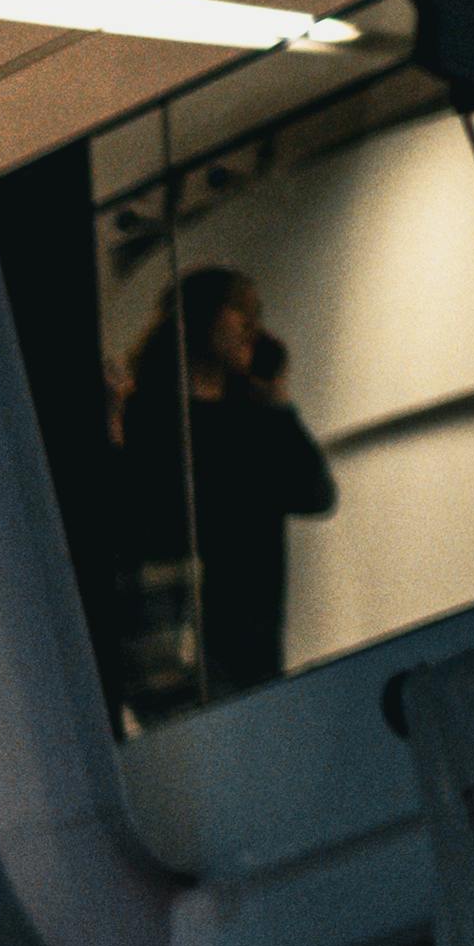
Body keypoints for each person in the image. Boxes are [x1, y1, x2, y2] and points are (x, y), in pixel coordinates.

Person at [114, 266, 337, 703]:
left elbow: (316, 495)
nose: (252, 325)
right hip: (184, 647)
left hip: (256, 645)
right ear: (200, 317)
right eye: (239, 309)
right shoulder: (150, 416)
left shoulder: (254, 419)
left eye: (256, 313)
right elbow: (131, 520)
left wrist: (278, 402)